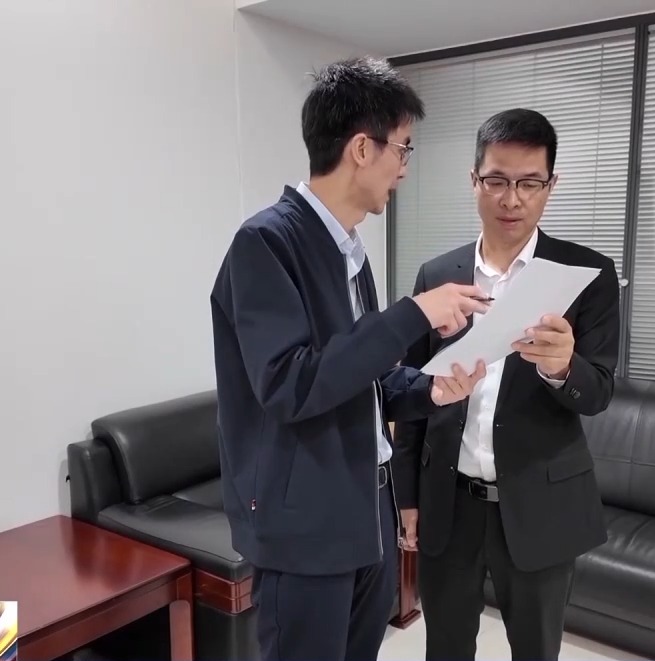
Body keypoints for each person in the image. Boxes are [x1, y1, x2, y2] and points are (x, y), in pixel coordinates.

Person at [209, 56, 490, 661]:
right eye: (403, 149)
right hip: (304, 530)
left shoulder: (351, 252)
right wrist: (413, 314)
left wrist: (430, 388)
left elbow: (366, 375)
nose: (405, 168)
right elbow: (289, 384)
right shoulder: (265, 243)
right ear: (362, 148)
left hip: (368, 512)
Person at [393, 108, 620, 661]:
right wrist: (407, 495)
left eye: (529, 183)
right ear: (474, 180)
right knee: (445, 648)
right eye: (496, 180)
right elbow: (413, 391)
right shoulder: (437, 275)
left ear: (550, 185)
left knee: (536, 651)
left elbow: (598, 392)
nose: (511, 199)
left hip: (541, 504)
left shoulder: (585, 275)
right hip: (449, 502)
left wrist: (562, 367)